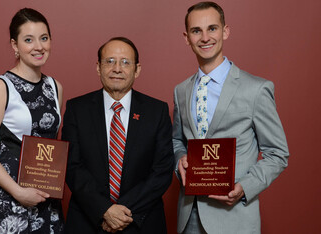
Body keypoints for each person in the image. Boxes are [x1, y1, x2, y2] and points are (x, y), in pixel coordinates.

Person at [172, 2, 289, 234]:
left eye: (212, 28)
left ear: (225, 31)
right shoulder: (181, 91)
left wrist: (244, 188)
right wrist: (180, 159)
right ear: (187, 38)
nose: (205, 37)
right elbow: (177, 141)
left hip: (234, 219)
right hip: (189, 216)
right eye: (197, 31)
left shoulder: (255, 89)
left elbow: (278, 153)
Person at [61, 37, 174, 233]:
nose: (117, 69)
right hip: (88, 221)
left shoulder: (157, 111)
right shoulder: (76, 109)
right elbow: (72, 167)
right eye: (110, 61)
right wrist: (104, 210)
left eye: (125, 62)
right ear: (98, 67)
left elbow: (162, 171)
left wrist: (119, 213)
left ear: (137, 69)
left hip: (141, 220)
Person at [0, 8, 64, 233]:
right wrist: (18, 192)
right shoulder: (0, 87)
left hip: (45, 199)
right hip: (8, 197)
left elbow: (51, 146)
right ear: (15, 45)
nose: (38, 46)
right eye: (28, 40)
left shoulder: (55, 87)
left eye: (44, 38)